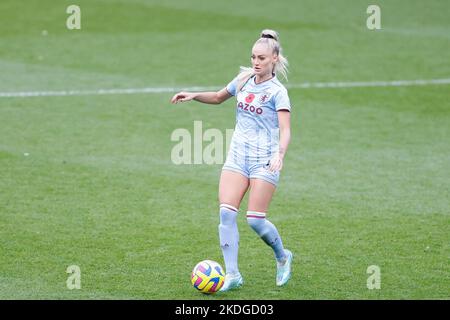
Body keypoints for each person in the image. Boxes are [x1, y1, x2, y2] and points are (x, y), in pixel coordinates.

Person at [171, 29, 293, 291]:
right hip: (237, 157)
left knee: (255, 220)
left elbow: (286, 130)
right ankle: (233, 274)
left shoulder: (278, 92)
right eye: (253, 57)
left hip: (264, 160)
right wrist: (193, 95)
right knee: (226, 214)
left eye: (261, 58)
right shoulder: (244, 79)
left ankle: (282, 257)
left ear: (274, 58)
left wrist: (279, 155)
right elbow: (217, 97)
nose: (256, 62)